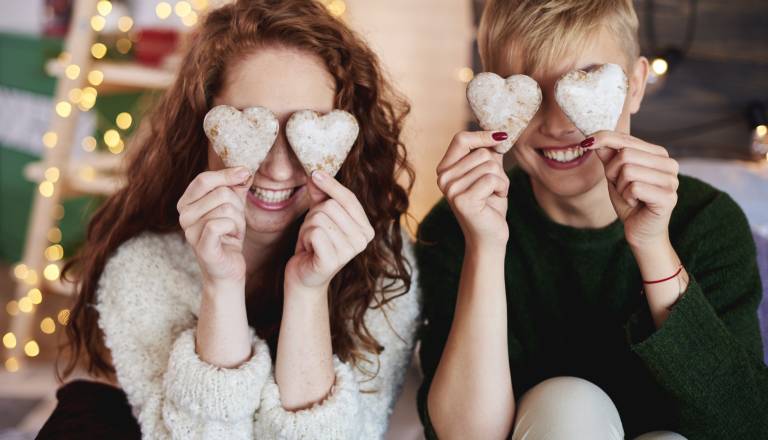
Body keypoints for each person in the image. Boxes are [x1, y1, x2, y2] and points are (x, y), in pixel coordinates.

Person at [41, 1, 420, 438]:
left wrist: (309, 291)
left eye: (306, 128)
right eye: (252, 124)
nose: (278, 168)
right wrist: (221, 285)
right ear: (204, 128)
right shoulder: (144, 269)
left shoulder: (381, 264)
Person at [415, 0, 768, 439]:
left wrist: (653, 245)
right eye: (530, 92)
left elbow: (746, 426)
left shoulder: (709, 223)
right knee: (566, 403)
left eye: (581, 82)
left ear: (634, 86)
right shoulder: (453, 228)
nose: (558, 124)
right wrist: (483, 247)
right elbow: (465, 435)